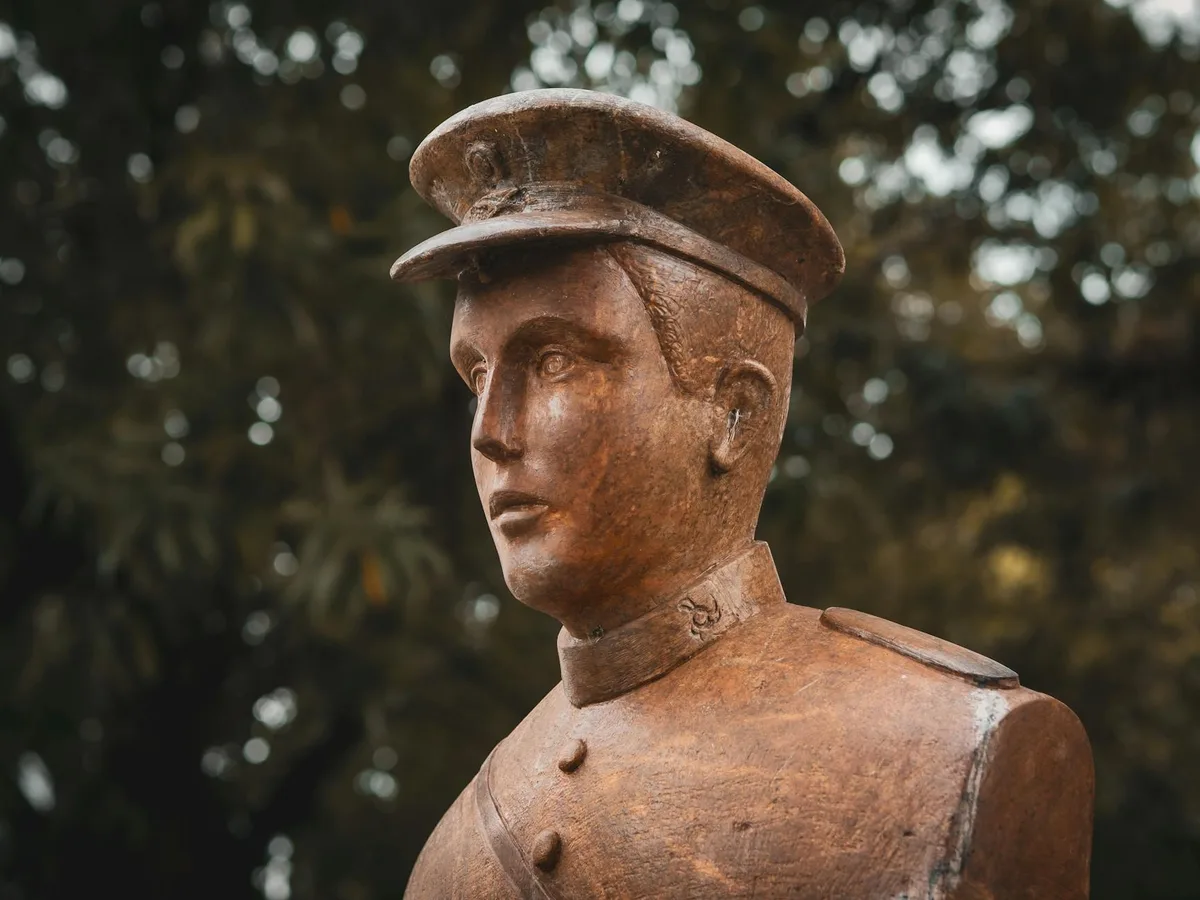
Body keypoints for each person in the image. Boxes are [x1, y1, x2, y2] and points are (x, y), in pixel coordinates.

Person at [392, 89, 1093, 899]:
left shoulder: (954, 752)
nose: (489, 430)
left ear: (734, 413)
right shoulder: (451, 858)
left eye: (554, 362)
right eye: (476, 375)